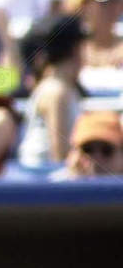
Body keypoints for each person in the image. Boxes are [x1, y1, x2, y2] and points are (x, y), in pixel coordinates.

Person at [17, 13, 88, 167]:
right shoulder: (56, 92)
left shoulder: (63, 88)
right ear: (75, 50)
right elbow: (59, 156)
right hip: (41, 184)